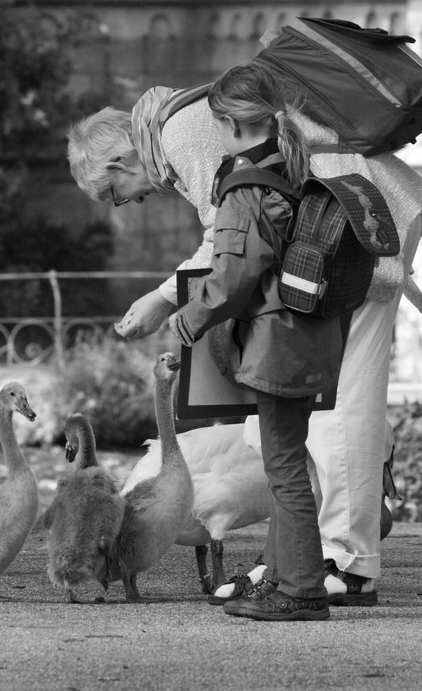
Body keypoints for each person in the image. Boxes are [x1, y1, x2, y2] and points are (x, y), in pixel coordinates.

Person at [67, 65, 422, 607]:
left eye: (116, 193)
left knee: (339, 407)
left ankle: (343, 563)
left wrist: (169, 304)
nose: (131, 203)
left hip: (350, 242)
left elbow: (234, 238)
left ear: (119, 160)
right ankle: (313, 559)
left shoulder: (179, 132)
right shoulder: (178, 126)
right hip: (351, 232)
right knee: (319, 414)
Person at [167, 61, 343, 620]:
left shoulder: (246, 185)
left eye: (217, 125)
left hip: (276, 343)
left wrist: (189, 317)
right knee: (287, 462)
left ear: (231, 122)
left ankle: (301, 592)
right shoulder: (296, 168)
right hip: (311, 334)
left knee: (285, 469)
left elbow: (235, 276)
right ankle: (288, 580)